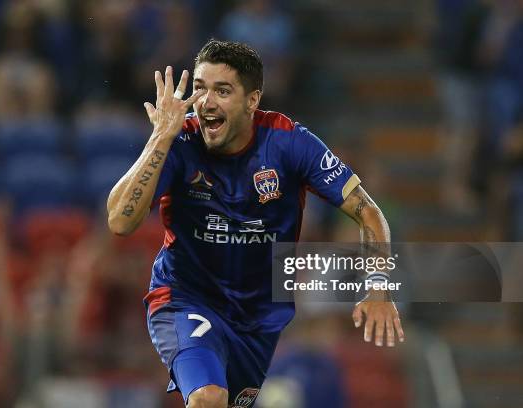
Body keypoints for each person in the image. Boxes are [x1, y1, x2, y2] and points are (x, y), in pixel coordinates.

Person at [107, 40, 404, 408]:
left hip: (257, 319)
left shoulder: (289, 143)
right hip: (185, 297)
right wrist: (159, 138)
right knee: (208, 397)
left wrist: (377, 285)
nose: (206, 102)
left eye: (222, 90)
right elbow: (120, 221)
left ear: (252, 100)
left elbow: (369, 213)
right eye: (199, 88)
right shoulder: (179, 142)